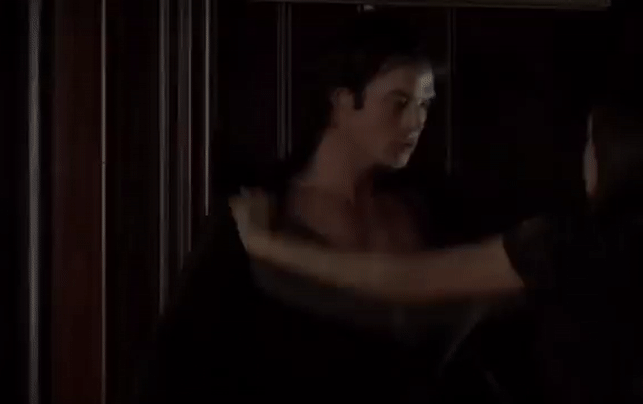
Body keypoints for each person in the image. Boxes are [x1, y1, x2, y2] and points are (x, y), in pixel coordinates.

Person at [135, 11, 505, 404]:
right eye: (399, 103)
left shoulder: (426, 210)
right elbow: (178, 367)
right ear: (341, 100)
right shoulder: (262, 214)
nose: (416, 121)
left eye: (424, 104)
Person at [231, 91, 643, 402]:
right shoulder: (570, 244)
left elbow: (400, 281)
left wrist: (267, 245)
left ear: (612, 155)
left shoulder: (565, 241)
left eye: (589, 142)